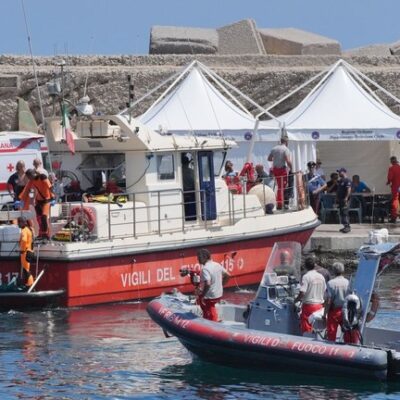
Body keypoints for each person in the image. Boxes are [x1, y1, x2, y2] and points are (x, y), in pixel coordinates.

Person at [17, 169, 55, 240]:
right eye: (28, 177)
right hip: (38, 201)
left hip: (47, 200)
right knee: (39, 218)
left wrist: (53, 197)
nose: (29, 179)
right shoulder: (32, 181)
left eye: (29, 177)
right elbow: (26, 190)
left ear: (33, 174)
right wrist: (21, 200)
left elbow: (50, 187)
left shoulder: (42, 177)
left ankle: (46, 234)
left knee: (44, 217)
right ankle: (41, 234)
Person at [196, 248, 230, 322]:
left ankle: (213, 322)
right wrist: (221, 285)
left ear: (204, 257)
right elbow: (228, 275)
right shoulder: (217, 264)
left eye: (199, 258)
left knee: (206, 303)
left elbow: (208, 283)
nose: (198, 260)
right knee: (208, 306)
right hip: (219, 293)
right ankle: (208, 317)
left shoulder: (205, 269)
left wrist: (203, 295)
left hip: (211, 296)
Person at [294, 255, 326, 335]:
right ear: (315, 265)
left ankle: (306, 340)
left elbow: (302, 292)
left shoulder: (306, 277)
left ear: (305, 266)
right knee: (317, 328)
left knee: (307, 328)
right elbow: (325, 290)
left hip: (309, 307)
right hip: (319, 306)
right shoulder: (321, 276)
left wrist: (295, 300)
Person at [323, 262, 353, 342]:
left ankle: (331, 346)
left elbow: (328, 301)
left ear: (333, 271)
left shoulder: (330, 283)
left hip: (334, 311)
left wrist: (324, 314)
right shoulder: (348, 282)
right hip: (346, 310)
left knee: (331, 333)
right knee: (347, 332)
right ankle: (348, 345)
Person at [268, 133, 292, 209]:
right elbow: (288, 161)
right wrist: (292, 168)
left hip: (275, 169)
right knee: (283, 187)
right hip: (282, 169)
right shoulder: (286, 149)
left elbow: (269, 159)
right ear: (286, 142)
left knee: (279, 186)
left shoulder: (274, 148)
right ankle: (280, 203)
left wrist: (276, 159)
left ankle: (280, 202)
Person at [18, 216, 34, 288]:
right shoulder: (28, 229)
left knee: (26, 270)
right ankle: (29, 283)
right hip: (29, 251)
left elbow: (24, 240)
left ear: (22, 222)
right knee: (27, 269)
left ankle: (30, 284)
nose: (18, 224)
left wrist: (22, 250)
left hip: (25, 252)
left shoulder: (24, 230)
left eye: (19, 222)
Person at [336, 167, 352, 233]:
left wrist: (346, 198)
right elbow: (338, 190)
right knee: (342, 213)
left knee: (345, 212)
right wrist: (337, 197)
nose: (339, 173)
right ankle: (345, 226)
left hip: (345, 200)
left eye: (340, 172)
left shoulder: (347, 180)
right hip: (340, 199)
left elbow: (349, 190)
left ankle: (347, 227)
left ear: (344, 172)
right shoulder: (341, 181)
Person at [181, 153, 196, 221]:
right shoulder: (191, 172)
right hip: (191, 192)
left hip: (183, 192)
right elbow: (193, 181)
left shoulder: (180, 172)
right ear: (187, 163)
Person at [387, 156, 400, 223]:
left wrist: (388, 182)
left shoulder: (391, 168)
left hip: (396, 187)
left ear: (391, 162)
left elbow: (390, 178)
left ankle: (394, 217)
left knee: (395, 201)